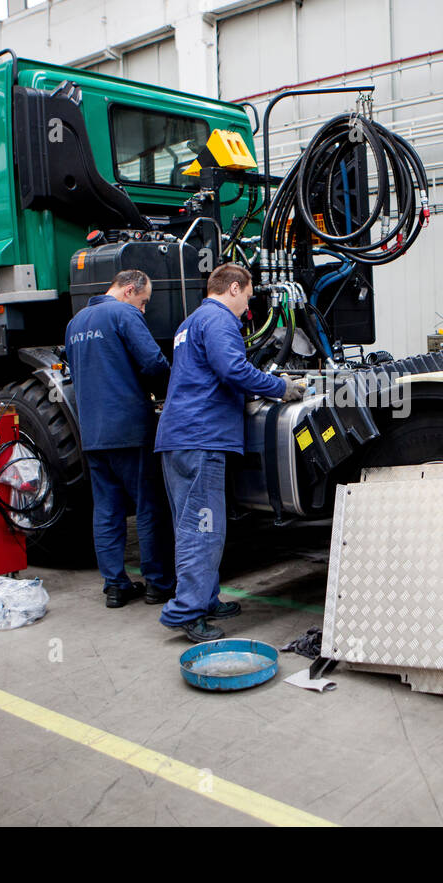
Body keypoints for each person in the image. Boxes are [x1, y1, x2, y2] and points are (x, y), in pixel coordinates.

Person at [154, 263, 305, 642]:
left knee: (194, 526)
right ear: (234, 288)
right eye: (248, 298)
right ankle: (187, 613)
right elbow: (233, 370)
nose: (248, 308)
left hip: (180, 437)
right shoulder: (220, 320)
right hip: (200, 439)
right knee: (202, 530)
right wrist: (280, 387)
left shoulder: (190, 322)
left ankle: (205, 599)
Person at [64, 269, 175, 609]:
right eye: (144, 302)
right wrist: (173, 392)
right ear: (129, 290)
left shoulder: (76, 323)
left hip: (93, 433)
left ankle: (115, 586)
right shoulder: (124, 314)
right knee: (147, 506)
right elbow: (153, 363)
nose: (143, 310)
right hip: (129, 429)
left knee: (108, 510)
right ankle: (157, 584)